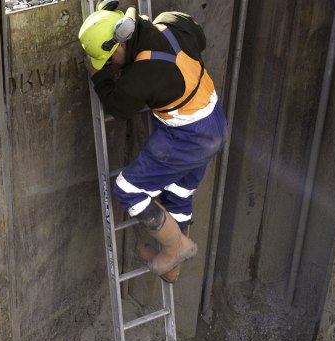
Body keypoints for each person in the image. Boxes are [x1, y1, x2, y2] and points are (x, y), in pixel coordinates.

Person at [78, 1, 225, 282]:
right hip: (214, 120)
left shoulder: (140, 75)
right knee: (179, 193)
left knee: (127, 190)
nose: (109, 64)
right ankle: (172, 269)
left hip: (187, 136)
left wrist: (100, 77)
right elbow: (200, 38)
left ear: (120, 45)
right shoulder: (171, 22)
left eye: (109, 59)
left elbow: (119, 107)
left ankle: (175, 246)